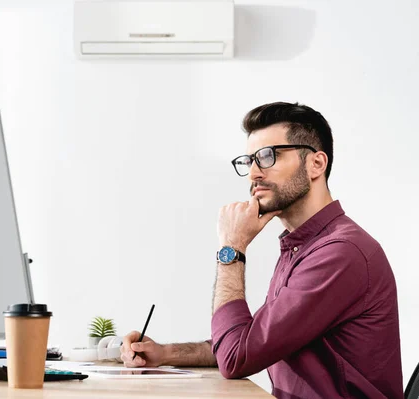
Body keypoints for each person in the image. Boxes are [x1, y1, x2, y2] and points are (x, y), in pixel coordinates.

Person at [120, 102, 403, 399]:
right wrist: (164, 353)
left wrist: (232, 248)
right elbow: (249, 342)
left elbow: (236, 357)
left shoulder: (340, 253)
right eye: (250, 160)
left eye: (268, 157)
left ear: (316, 164)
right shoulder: (303, 246)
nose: (253, 173)